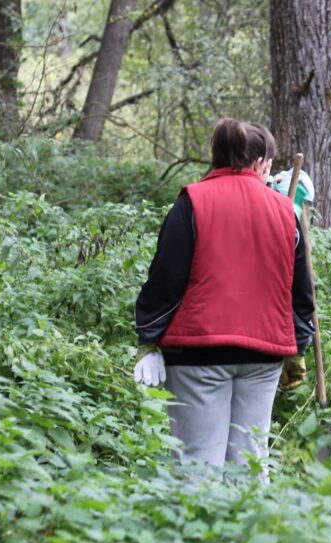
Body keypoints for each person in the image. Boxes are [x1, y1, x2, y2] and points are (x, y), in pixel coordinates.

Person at [133, 118, 315, 475]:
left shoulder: (191, 203)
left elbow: (167, 278)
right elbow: (299, 290)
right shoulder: (285, 213)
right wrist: (299, 345)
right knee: (251, 462)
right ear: (260, 163)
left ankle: (198, 514)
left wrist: (148, 338)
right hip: (264, 356)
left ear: (215, 156)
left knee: (198, 463)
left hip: (198, 353)